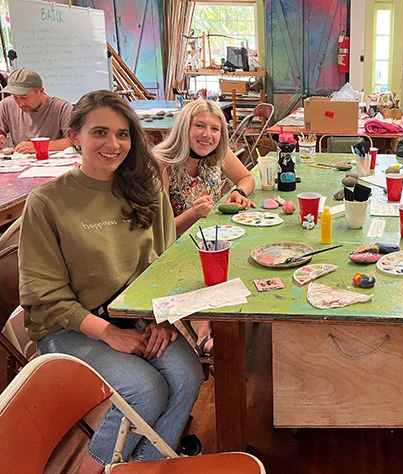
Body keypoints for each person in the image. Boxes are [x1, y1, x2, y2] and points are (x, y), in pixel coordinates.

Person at [19, 90, 204, 473]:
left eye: (123, 134)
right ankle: (94, 468)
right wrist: (108, 333)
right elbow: (45, 296)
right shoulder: (47, 202)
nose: (113, 144)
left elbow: (165, 264)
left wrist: (161, 317)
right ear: (74, 136)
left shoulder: (146, 188)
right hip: (70, 326)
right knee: (145, 389)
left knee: (189, 375)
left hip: (133, 314)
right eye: (100, 132)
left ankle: (144, 466)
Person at [154, 98, 256, 358]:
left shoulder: (217, 155)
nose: (207, 135)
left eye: (214, 129)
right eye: (199, 126)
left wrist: (237, 192)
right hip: (174, 249)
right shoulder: (161, 165)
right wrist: (192, 214)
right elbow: (161, 234)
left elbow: (246, 177)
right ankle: (206, 326)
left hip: (213, 238)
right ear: (183, 128)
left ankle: (232, 326)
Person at [0, 67, 72, 154]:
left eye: (24, 97)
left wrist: (38, 146)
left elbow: (76, 141)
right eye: (15, 97)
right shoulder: (7, 105)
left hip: (54, 163)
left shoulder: (62, 108)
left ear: (41, 91)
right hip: (20, 163)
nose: (20, 103)